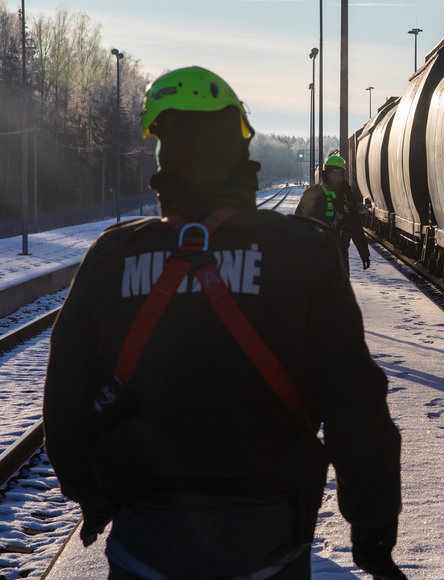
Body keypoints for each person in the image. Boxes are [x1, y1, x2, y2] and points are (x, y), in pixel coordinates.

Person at [43, 66, 405, 579]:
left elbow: (62, 404)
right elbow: (358, 410)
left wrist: (96, 498)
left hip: (144, 545)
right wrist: (371, 538)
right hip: (268, 543)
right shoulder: (303, 252)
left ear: (162, 154)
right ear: (241, 148)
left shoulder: (112, 256)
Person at [296, 155, 371, 272]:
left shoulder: (348, 196)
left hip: (340, 254)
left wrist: (364, 253)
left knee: (340, 287)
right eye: (333, 174)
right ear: (326, 174)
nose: (336, 177)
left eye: (339, 174)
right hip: (316, 253)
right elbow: (299, 223)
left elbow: (356, 227)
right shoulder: (314, 194)